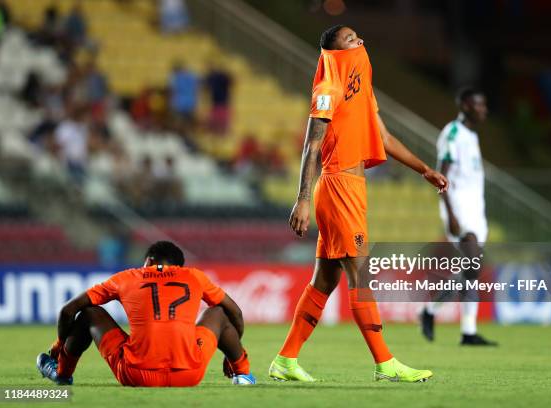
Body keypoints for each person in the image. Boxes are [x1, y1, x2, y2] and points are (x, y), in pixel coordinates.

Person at [269, 25, 448, 383]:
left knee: (324, 281)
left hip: (351, 188)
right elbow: (311, 147)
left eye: (358, 36)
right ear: (336, 53)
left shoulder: (359, 86)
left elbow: (383, 137)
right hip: (336, 188)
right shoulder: (327, 89)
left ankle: (285, 360)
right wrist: (302, 199)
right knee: (360, 276)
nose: (360, 41)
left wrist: (424, 169)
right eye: (351, 40)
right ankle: (385, 362)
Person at [36, 241, 256, 386]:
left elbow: (67, 311)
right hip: (190, 374)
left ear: (149, 260)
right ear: (178, 267)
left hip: (135, 374)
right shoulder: (194, 276)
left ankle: (62, 373)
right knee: (217, 312)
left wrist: (58, 346)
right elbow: (235, 312)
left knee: (88, 313)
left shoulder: (127, 277)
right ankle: (242, 374)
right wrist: (230, 355)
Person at [419, 88, 497, 346]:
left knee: (471, 269)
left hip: (477, 211)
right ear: (464, 105)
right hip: (459, 209)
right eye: (478, 105)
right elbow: (441, 175)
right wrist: (450, 212)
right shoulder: (453, 134)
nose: (483, 109)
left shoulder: (471, 136)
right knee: (473, 264)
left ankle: (463, 328)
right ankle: (443, 317)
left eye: (484, 105)